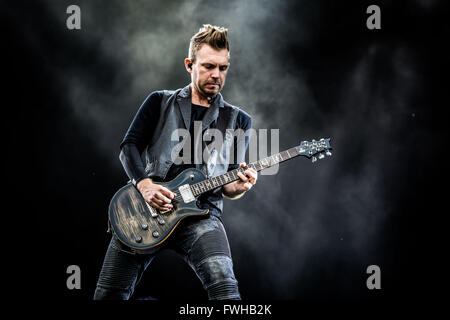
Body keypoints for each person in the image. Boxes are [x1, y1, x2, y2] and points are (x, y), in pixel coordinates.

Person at [94, 24, 257, 300]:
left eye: (223, 67)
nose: (216, 75)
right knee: (109, 294)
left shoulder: (239, 120)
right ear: (189, 64)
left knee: (226, 290)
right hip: (146, 209)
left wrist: (242, 186)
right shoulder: (159, 101)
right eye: (208, 66)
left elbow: (229, 184)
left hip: (202, 215)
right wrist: (145, 187)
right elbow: (128, 147)